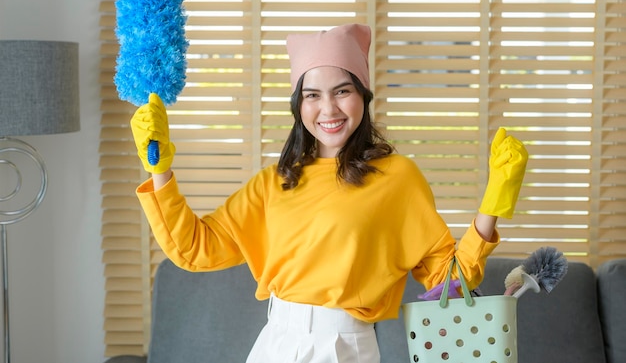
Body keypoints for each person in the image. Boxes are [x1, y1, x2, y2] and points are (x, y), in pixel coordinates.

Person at [130, 23, 528, 363]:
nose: (328, 109)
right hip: (275, 342)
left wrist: (493, 203)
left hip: (344, 346)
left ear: (362, 96)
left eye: (342, 91)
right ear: (298, 106)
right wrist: (159, 168)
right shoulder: (274, 182)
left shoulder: (397, 178)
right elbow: (193, 248)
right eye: (312, 95)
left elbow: (449, 280)